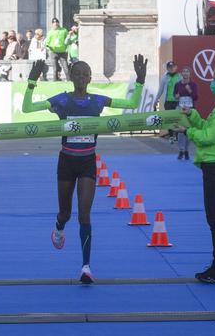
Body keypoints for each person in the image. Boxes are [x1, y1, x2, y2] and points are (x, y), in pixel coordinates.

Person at [20, 55, 147, 284]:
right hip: (66, 161)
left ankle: (86, 267)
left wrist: (140, 80)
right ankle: (59, 226)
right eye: (76, 74)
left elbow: (131, 105)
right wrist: (31, 82)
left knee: (85, 214)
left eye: (85, 74)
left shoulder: (97, 101)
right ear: (70, 77)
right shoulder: (61, 100)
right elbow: (27, 108)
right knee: (66, 213)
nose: (81, 77)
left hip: (88, 162)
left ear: (90, 78)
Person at [170, 61, 215, 284]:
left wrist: (188, 130)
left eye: (214, 79)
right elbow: (207, 128)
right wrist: (192, 115)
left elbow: (209, 136)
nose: (212, 82)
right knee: (214, 218)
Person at [173, 68, 200, 160]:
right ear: (181, 74)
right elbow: (175, 96)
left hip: (190, 109)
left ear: (189, 74)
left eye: (187, 72)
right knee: (180, 131)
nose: (185, 73)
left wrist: (189, 90)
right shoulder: (178, 84)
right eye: (183, 71)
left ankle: (187, 150)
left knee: (188, 129)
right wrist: (178, 95)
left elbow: (195, 97)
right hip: (180, 109)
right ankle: (181, 150)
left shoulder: (193, 84)